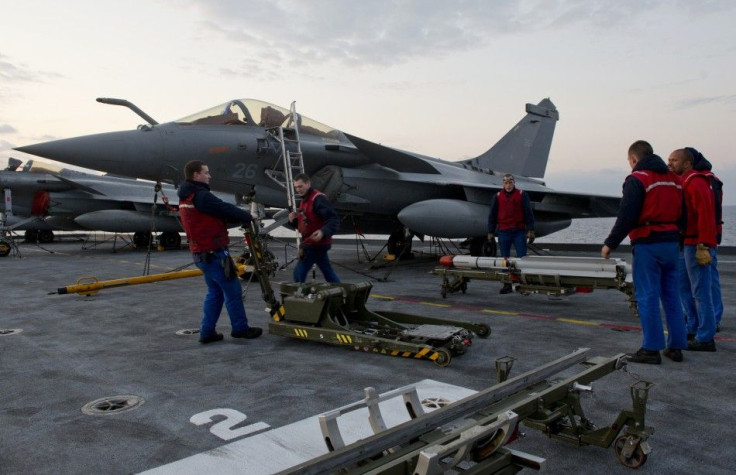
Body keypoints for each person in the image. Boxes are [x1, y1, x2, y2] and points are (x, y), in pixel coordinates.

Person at [602, 140, 687, 364]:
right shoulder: (675, 181)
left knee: (647, 296)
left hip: (648, 244)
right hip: (671, 244)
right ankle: (676, 347)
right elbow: (685, 214)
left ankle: (651, 349)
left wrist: (610, 243)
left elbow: (626, 215)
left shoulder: (637, 179)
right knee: (671, 296)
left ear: (633, 159)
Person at [178, 160, 262, 344]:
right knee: (233, 291)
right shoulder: (201, 196)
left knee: (214, 292)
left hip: (201, 254)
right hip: (214, 254)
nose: (209, 176)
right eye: (206, 173)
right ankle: (240, 329)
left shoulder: (186, 197)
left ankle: (207, 332)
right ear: (196, 175)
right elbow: (224, 208)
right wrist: (248, 216)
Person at [668, 148, 718, 351]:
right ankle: (692, 327)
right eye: (669, 159)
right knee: (684, 289)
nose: (670, 163)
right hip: (683, 244)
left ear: (687, 164)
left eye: (675, 160)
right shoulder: (683, 182)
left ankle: (706, 337)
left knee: (700, 291)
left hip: (695, 244)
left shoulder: (696, 182)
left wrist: (704, 245)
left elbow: (705, 214)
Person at [487, 173, 535, 294]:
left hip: (519, 231)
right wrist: (490, 232)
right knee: (505, 259)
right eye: (506, 182)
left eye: (510, 182)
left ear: (514, 183)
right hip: (503, 232)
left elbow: (528, 212)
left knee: (522, 258)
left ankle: (523, 285)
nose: (508, 185)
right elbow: (492, 215)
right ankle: (507, 284)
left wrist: (530, 230)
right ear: (503, 184)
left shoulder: (522, 195)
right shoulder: (497, 196)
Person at [288, 173, 341, 283]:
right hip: (316, 243)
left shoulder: (318, 199)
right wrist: (293, 221)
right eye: (296, 187)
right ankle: (341, 292)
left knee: (299, 273)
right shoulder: (304, 201)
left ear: (308, 183)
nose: (298, 190)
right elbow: (306, 224)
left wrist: (322, 231)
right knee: (328, 272)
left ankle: (298, 296)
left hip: (314, 244)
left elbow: (333, 219)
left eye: (300, 186)